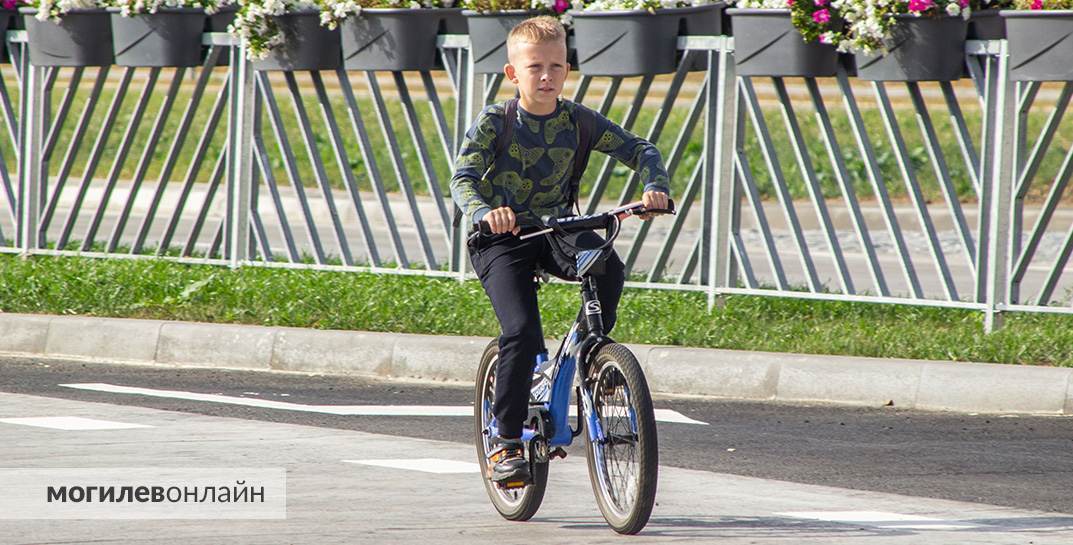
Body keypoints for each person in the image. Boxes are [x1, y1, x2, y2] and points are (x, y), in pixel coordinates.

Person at [449, 15, 670, 485]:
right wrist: (487, 212)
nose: (545, 76)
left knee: (606, 265)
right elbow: (463, 180)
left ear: (566, 70)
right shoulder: (496, 122)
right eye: (534, 67)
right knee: (523, 331)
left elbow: (641, 149)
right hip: (502, 239)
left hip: (557, 229)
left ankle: (592, 356)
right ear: (513, 74)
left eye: (555, 66)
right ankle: (506, 442)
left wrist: (654, 187)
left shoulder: (579, 121)